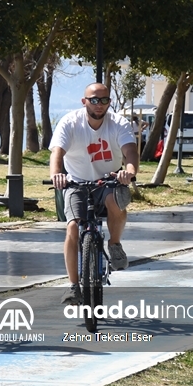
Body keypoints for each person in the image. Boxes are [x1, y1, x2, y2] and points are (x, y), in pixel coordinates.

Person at [49, 82, 139, 305]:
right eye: (94, 100)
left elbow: (130, 151)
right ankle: (72, 286)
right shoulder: (70, 122)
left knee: (116, 202)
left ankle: (115, 245)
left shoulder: (118, 123)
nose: (99, 105)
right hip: (76, 183)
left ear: (110, 102)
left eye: (104, 100)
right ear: (84, 101)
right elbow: (57, 153)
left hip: (108, 180)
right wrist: (57, 174)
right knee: (72, 226)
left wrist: (129, 171)